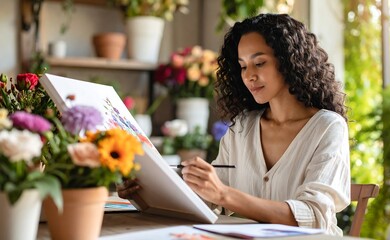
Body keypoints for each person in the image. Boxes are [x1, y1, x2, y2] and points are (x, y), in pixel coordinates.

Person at [118, 13, 350, 236]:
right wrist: (145, 191)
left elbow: (313, 215)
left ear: (289, 61)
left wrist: (223, 194)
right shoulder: (243, 126)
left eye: (259, 63)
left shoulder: (327, 127)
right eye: (242, 66)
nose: (248, 75)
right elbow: (209, 199)